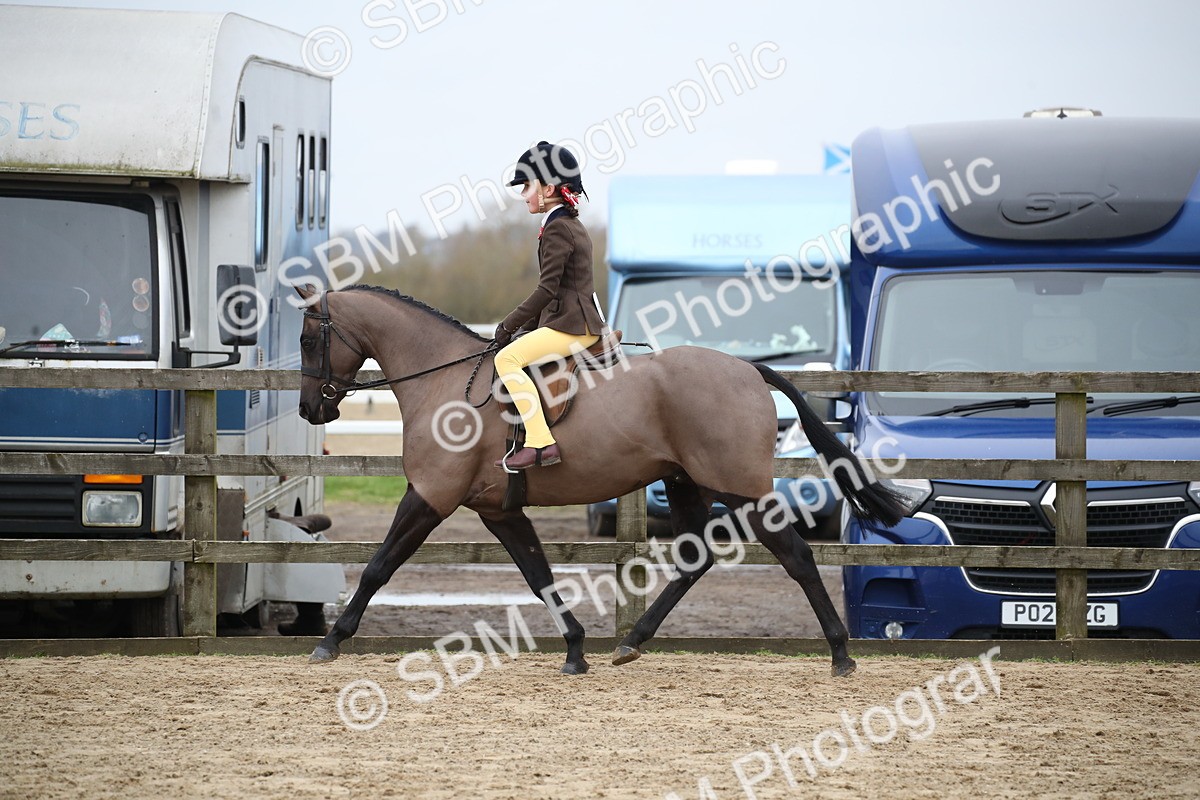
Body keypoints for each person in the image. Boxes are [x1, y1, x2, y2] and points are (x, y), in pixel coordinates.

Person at [493, 141, 606, 470]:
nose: (525, 194)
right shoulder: (569, 224)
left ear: (550, 188)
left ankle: (541, 442)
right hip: (573, 320)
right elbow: (555, 292)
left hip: (572, 325)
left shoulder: (558, 228)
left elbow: (546, 289)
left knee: (507, 359)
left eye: (527, 186)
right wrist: (527, 328)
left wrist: (509, 325)